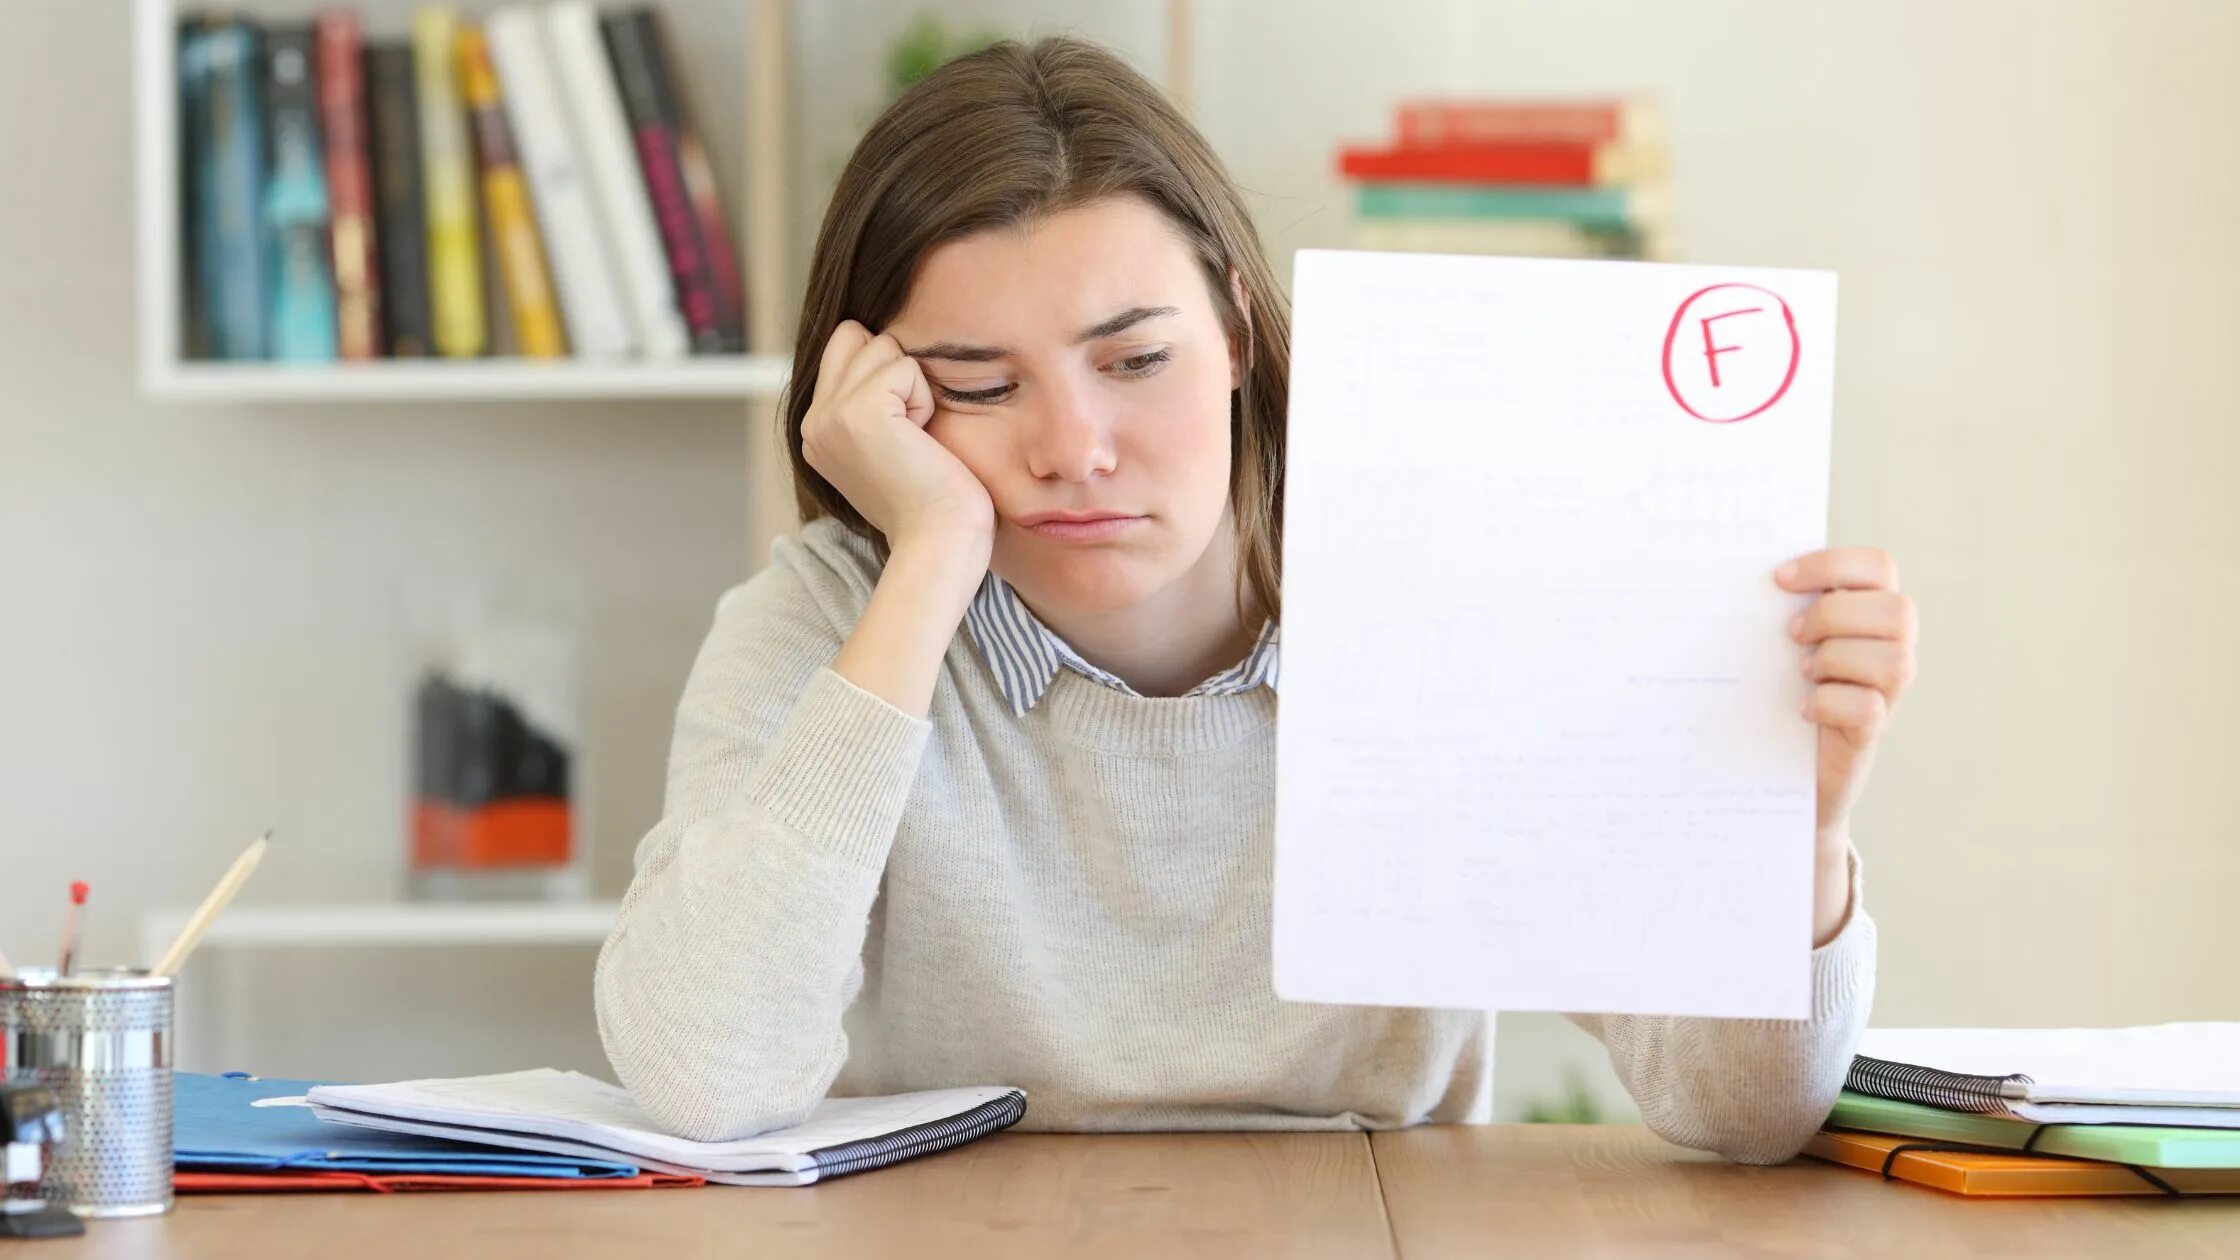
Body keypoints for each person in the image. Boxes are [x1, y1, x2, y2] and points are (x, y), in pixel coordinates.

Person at [593, 35, 1918, 1164]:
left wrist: (1789, 845)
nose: (1076, 447)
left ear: (1234, 326)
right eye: (979, 385)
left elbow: (1744, 1114)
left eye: (1136, 358)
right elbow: (711, 1074)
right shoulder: (832, 626)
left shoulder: (1447, 589)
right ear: (878, 398)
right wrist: (932, 558)